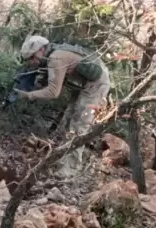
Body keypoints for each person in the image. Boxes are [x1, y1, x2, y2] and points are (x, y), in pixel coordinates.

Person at [14, 35, 111, 178]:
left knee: (79, 124)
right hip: (84, 84)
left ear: (41, 49)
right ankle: (57, 158)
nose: (32, 62)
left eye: (33, 57)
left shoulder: (55, 58)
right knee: (67, 121)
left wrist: (29, 95)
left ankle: (70, 169)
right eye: (30, 59)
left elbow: (53, 92)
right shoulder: (51, 55)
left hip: (97, 85)